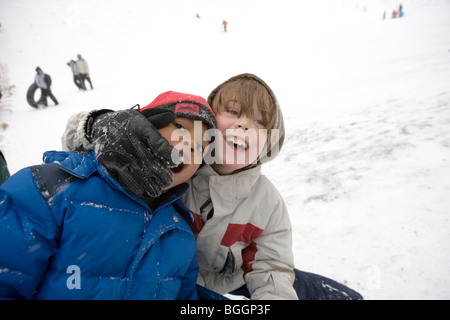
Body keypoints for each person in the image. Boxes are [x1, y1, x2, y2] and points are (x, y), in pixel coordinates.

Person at [62, 74, 363, 300]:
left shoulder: (267, 202)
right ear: (205, 121)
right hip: (176, 282)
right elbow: (110, 151)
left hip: (231, 278)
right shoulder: (175, 165)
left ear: (269, 142)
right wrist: (98, 126)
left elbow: (270, 266)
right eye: (232, 112)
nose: (244, 125)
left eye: (259, 121)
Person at [0, 91, 217, 300]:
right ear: (145, 125)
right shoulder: (49, 189)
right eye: (179, 127)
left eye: (201, 146)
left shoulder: (180, 232)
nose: (188, 145)